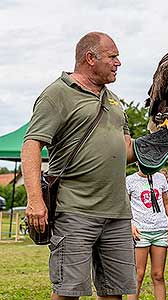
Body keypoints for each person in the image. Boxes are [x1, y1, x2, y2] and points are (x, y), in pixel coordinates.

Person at [22, 32, 137, 299]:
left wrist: (165, 141)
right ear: (90, 58)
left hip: (118, 212)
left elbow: (126, 151)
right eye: (112, 56)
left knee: (115, 292)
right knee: (68, 291)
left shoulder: (115, 100)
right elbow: (32, 145)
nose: (118, 62)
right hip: (75, 209)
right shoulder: (57, 94)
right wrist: (35, 201)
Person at [126, 168, 168, 300]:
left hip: (160, 231)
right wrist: (130, 224)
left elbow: (167, 203)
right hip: (140, 232)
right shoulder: (130, 180)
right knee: (138, 274)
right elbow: (124, 205)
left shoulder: (160, 178)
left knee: (158, 275)